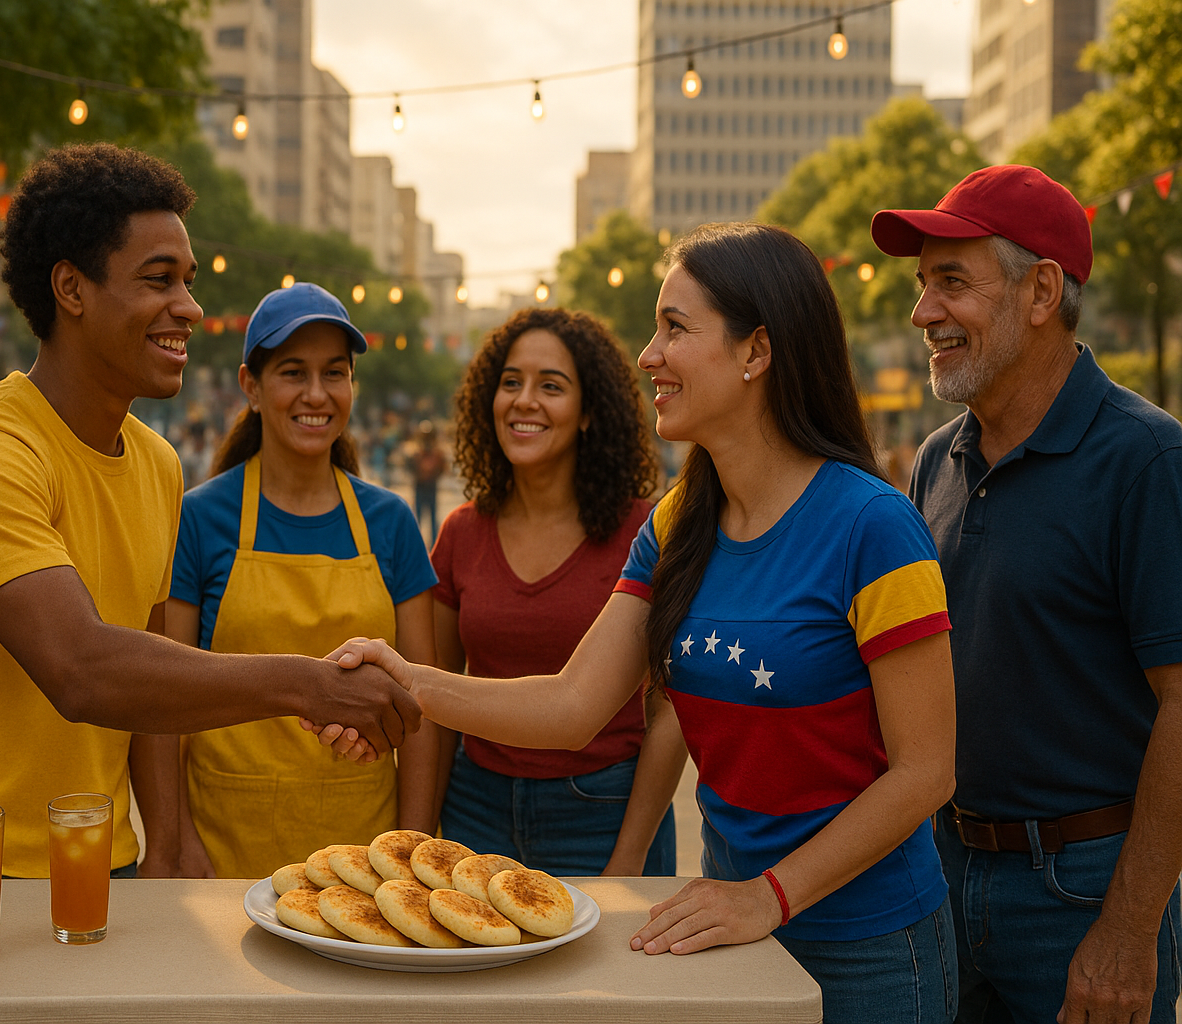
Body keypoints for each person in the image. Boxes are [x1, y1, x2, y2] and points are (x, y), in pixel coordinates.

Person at [322, 223, 959, 1022]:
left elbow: (928, 771)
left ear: (757, 352)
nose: (648, 355)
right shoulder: (676, 521)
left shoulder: (874, 526)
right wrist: (409, 681)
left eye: (675, 329)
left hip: (868, 947)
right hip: (730, 929)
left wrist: (771, 896)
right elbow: (572, 704)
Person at [0, 145, 419, 880]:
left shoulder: (159, 463)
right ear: (71, 288)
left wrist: (164, 842)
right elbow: (82, 669)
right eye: (158, 281)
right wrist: (307, 683)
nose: (190, 308)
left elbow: (150, 679)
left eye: (189, 282)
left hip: (103, 862)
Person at [872, 165, 1182, 1024]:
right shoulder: (935, 458)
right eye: (922, 284)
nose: (923, 312)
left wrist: (1129, 930)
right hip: (941, 870)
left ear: (1041, 290)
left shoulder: (1148, 462)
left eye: (951, 282)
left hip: (1083, 890)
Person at [162, 283, 439, 878]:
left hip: (364, 860)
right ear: (252, 387)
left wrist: (410, 851)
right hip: (225, 848)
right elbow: (167, 702)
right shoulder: (200, 518)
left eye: (334, 373)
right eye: (293, 372)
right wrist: (178, 841)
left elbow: (422, 712)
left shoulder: (390, 523)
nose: (317, 394)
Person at [430, 307, 679, 876]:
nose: (524, 400)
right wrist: (418, 836)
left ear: (590, 411)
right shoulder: (460, 533)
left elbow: (670, 713)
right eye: (510, 382)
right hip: (474, 811)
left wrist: (630, 855)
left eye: (551, 386)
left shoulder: (649, 532)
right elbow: (435, 707)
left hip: (604, 812)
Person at [411, 420, 446, 545]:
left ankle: (434, 545)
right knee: (418, 517)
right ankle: (416, 544)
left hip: (431, 487)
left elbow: (442, 469)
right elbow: (411, 468)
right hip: (420, 487)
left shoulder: (437, 454)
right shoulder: (417, 453)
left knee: (432, 518)